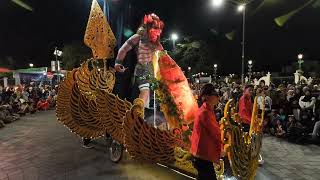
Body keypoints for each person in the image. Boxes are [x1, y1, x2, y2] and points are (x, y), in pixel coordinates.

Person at [114, 13, 164, 108]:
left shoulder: (156, 42)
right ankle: (137, 115)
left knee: (148, 95)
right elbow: (123, 49)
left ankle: (140, 117)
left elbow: (164, 56)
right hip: (141, 69)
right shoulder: (139, 37)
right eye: (154, 26)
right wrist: (118, 63)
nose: (157, 30)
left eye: (158, 27)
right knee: (144, 93)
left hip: (151, 69)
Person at [190, 83, 222, 180]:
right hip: (202, 155)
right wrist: (222, 147)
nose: (217, 97)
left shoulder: (207, 109)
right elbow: (215, 133)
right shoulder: (205, 112)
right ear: (206, 97)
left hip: (201, 154)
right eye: (214, 95)